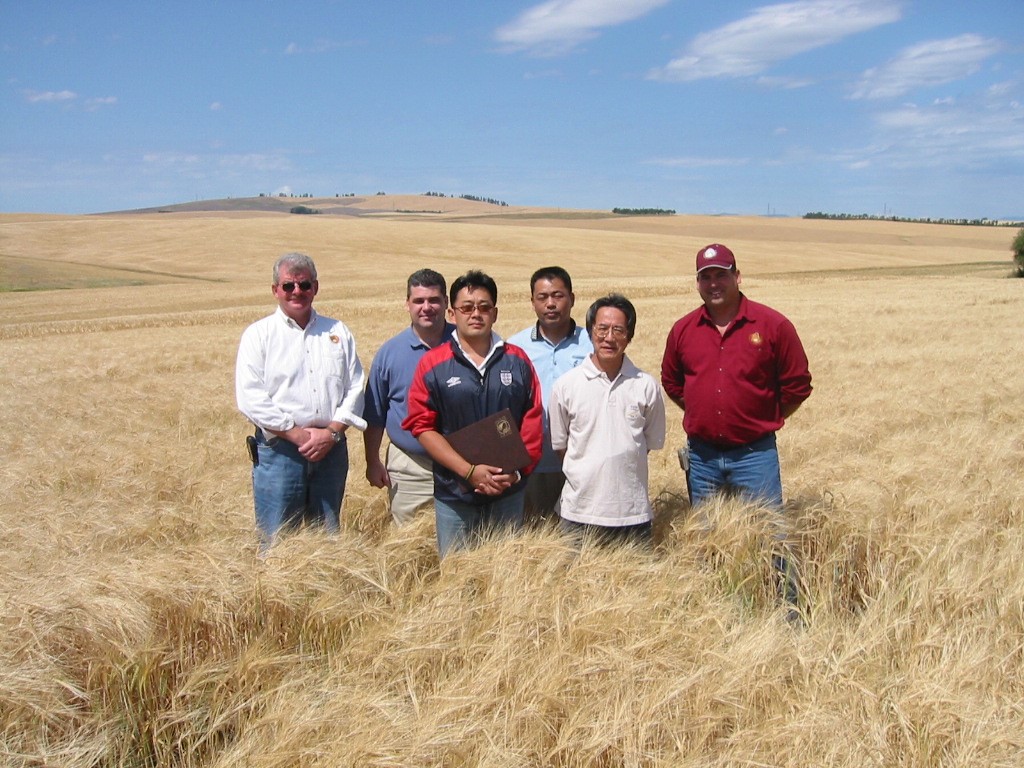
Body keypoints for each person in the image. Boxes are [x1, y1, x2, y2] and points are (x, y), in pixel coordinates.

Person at [661, 243, 812, 606]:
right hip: (702, 457)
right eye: (706, 277)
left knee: (770, 535)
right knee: (708, 538)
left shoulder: (772, 325)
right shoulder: (684, 330)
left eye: (721, 275)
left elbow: (797, 385)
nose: (714, 283)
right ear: (698, 283)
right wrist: (702, 411)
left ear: (737, 276)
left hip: (754, 454)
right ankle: (717, 607)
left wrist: (762, 418)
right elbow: (672, 381)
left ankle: (785, 609)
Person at [403, 270, 544, 557]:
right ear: (452, 313)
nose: (475, 314)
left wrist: (516, 473)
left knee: (507, 576)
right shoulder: (432, 364)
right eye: (467, 308)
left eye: (484, 307)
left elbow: (532, 418)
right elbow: (423, 427)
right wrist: (468, 472)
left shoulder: (517, 360)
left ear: (495, 313)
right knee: (457, 578)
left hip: (509, 491)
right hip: (455, 494)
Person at [235, 252, 366, 552]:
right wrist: (296, 434)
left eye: (304, 285)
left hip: (331, 451)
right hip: (280, 452)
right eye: (288, 286)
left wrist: (332, 433)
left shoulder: (337, 331)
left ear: (315, 287)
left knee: (327, 539)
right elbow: (250, 396)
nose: (297, 292)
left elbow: (356, 385)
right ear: (275, 290)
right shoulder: (258, 335)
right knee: (277, 541)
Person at [549, 294, 666, 546]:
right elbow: (561, 447)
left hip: (632, 514)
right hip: (577, 513)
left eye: (618, 330)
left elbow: (648, 444)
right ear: (591, 331)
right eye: (602, 329)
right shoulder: (567, 385)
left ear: (630, 336)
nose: (609, 338)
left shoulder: (646, 386)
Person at [362, 269, 455, 525]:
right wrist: (372, 462)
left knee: (466, 541)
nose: (427, 307)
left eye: (434, 300)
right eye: (418, 301)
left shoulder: (468, 344)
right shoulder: (389, 353)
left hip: (463, 464)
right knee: (408, 543)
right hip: (409, 467)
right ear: (407, 304)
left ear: (446, 303)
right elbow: (375, 414)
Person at [508, 266, 592, 523]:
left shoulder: (593, 343)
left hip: (584, 462)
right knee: (534, 532)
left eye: (558, 295)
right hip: (533, 462)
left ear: (572, 299)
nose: (551, 304)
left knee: (583, 538)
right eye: (543, 297)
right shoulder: (515, 347)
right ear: (532, 302)